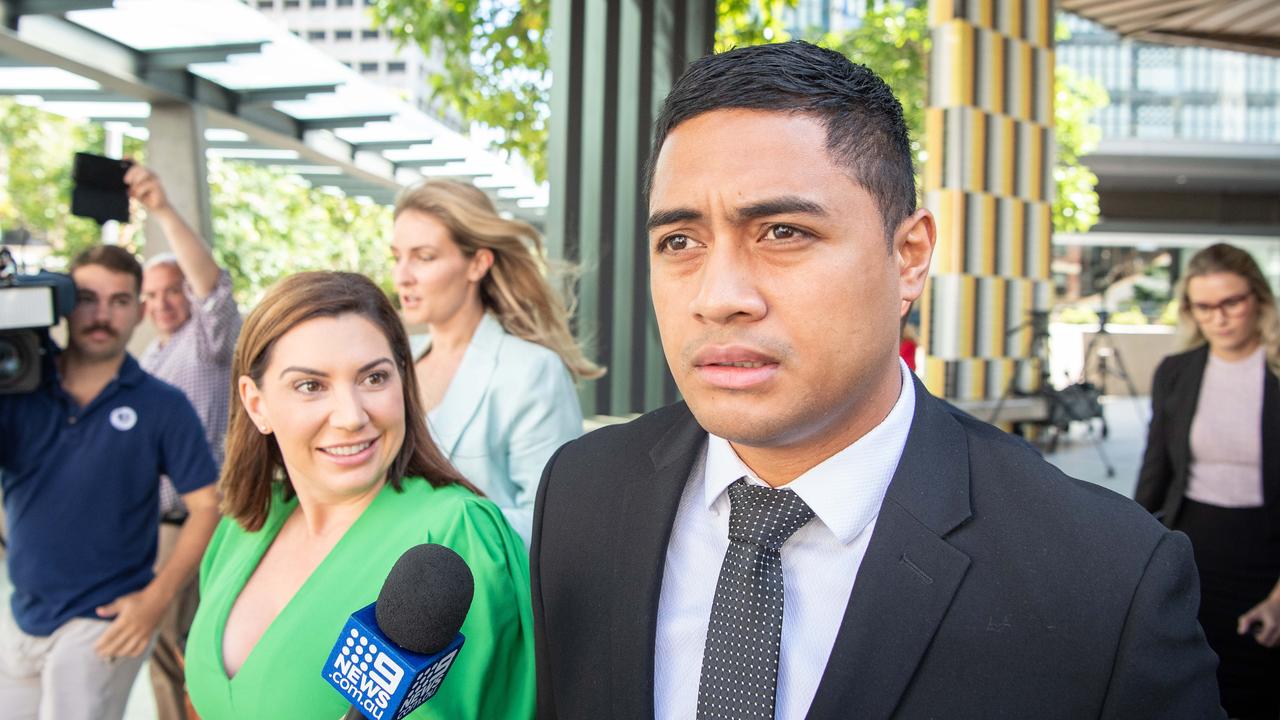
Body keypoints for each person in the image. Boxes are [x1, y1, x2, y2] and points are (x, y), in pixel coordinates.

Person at [530, 41, 1222, 719]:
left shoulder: (1105, 579)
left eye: (782, 232)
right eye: (680, 242)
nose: (719, 296)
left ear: (910, 256)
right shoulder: (583, 494)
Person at [184, 271, 535, 719]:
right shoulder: (245, 525)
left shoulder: (456, 536)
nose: (351, 416)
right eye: (311, 385)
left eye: (373, 378)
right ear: (257, 404)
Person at [0, 245, 220, 720]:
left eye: (119, 301)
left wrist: (155, 599)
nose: (101, 315)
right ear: (62, 303)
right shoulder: (17, 390)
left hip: (102, 622)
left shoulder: (163, 404)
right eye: (86, 298)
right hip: (23, 614)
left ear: (138, 310)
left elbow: (208, 505)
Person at [391, 180, 603, 544]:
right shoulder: (390, 364)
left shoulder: (530, 370)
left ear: (477, 264)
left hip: (476, 591)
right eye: (397, 257)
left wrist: (433, 532)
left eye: (424, 257)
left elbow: (552, 523)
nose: (402, 276)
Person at [1136, 242, 1280, 719]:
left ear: (1258, 298)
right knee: (1193, 684)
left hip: (1267, 553)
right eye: (1204, 307)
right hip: (1194, 546)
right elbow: (1156, 472)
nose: (1219, 317)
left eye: (1231, 302)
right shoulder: (1177, 372)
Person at [131, 163, 242, 720]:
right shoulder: (152, 354)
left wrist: (162, 209)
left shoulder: (206, 343)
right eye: (151, 294)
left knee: (182, 643)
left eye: (173, 290)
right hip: (153, 525)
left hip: (196, 522)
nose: (162, 302)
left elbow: (213, 287)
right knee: (160, 648)